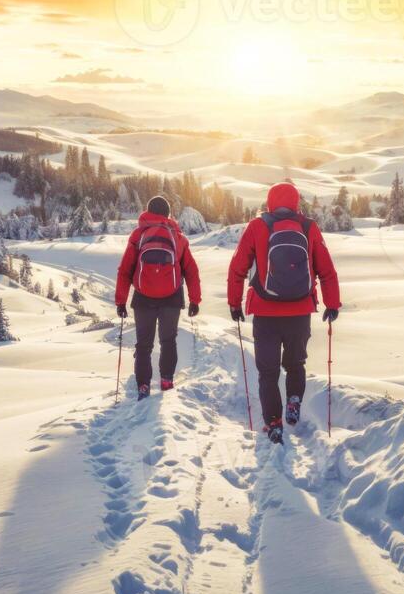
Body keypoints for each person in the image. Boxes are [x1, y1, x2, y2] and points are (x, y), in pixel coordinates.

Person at [227, 181, 341, 444]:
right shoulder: (309, 227)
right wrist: (332, 304)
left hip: (265, 313)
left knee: (268, 372)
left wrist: (235, 304)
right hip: (300, 311)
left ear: (269, 201)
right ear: (296, 202)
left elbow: (238, 267)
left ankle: (274, 423)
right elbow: (326, 269)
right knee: (295, 364)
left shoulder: (257, 226)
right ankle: (293, 401)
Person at [115, 195, 202, 399]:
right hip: (172, 297)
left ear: (148, 211)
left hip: (143, 297)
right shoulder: (178, 237)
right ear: (167, 214)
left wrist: (121, 301)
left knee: (143, 344)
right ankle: (166, 380)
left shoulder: (138, 235)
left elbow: (125, 270)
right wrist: (195, 299)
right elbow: (191, 271)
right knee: (168, 340)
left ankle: (143, 385)